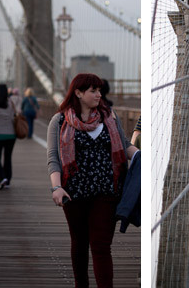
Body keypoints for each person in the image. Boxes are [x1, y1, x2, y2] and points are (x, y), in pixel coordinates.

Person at [47, 73, 138, 288]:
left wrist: (140, 156)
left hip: (107, 191)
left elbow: (124, 145)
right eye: (93, 91)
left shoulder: (109, 117)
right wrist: (57, 187)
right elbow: (53, 158)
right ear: (78, 93)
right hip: (74, 192)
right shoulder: (59, 120)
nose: (99, 95)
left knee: (101, 244)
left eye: (99, 90)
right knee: (79, 243)